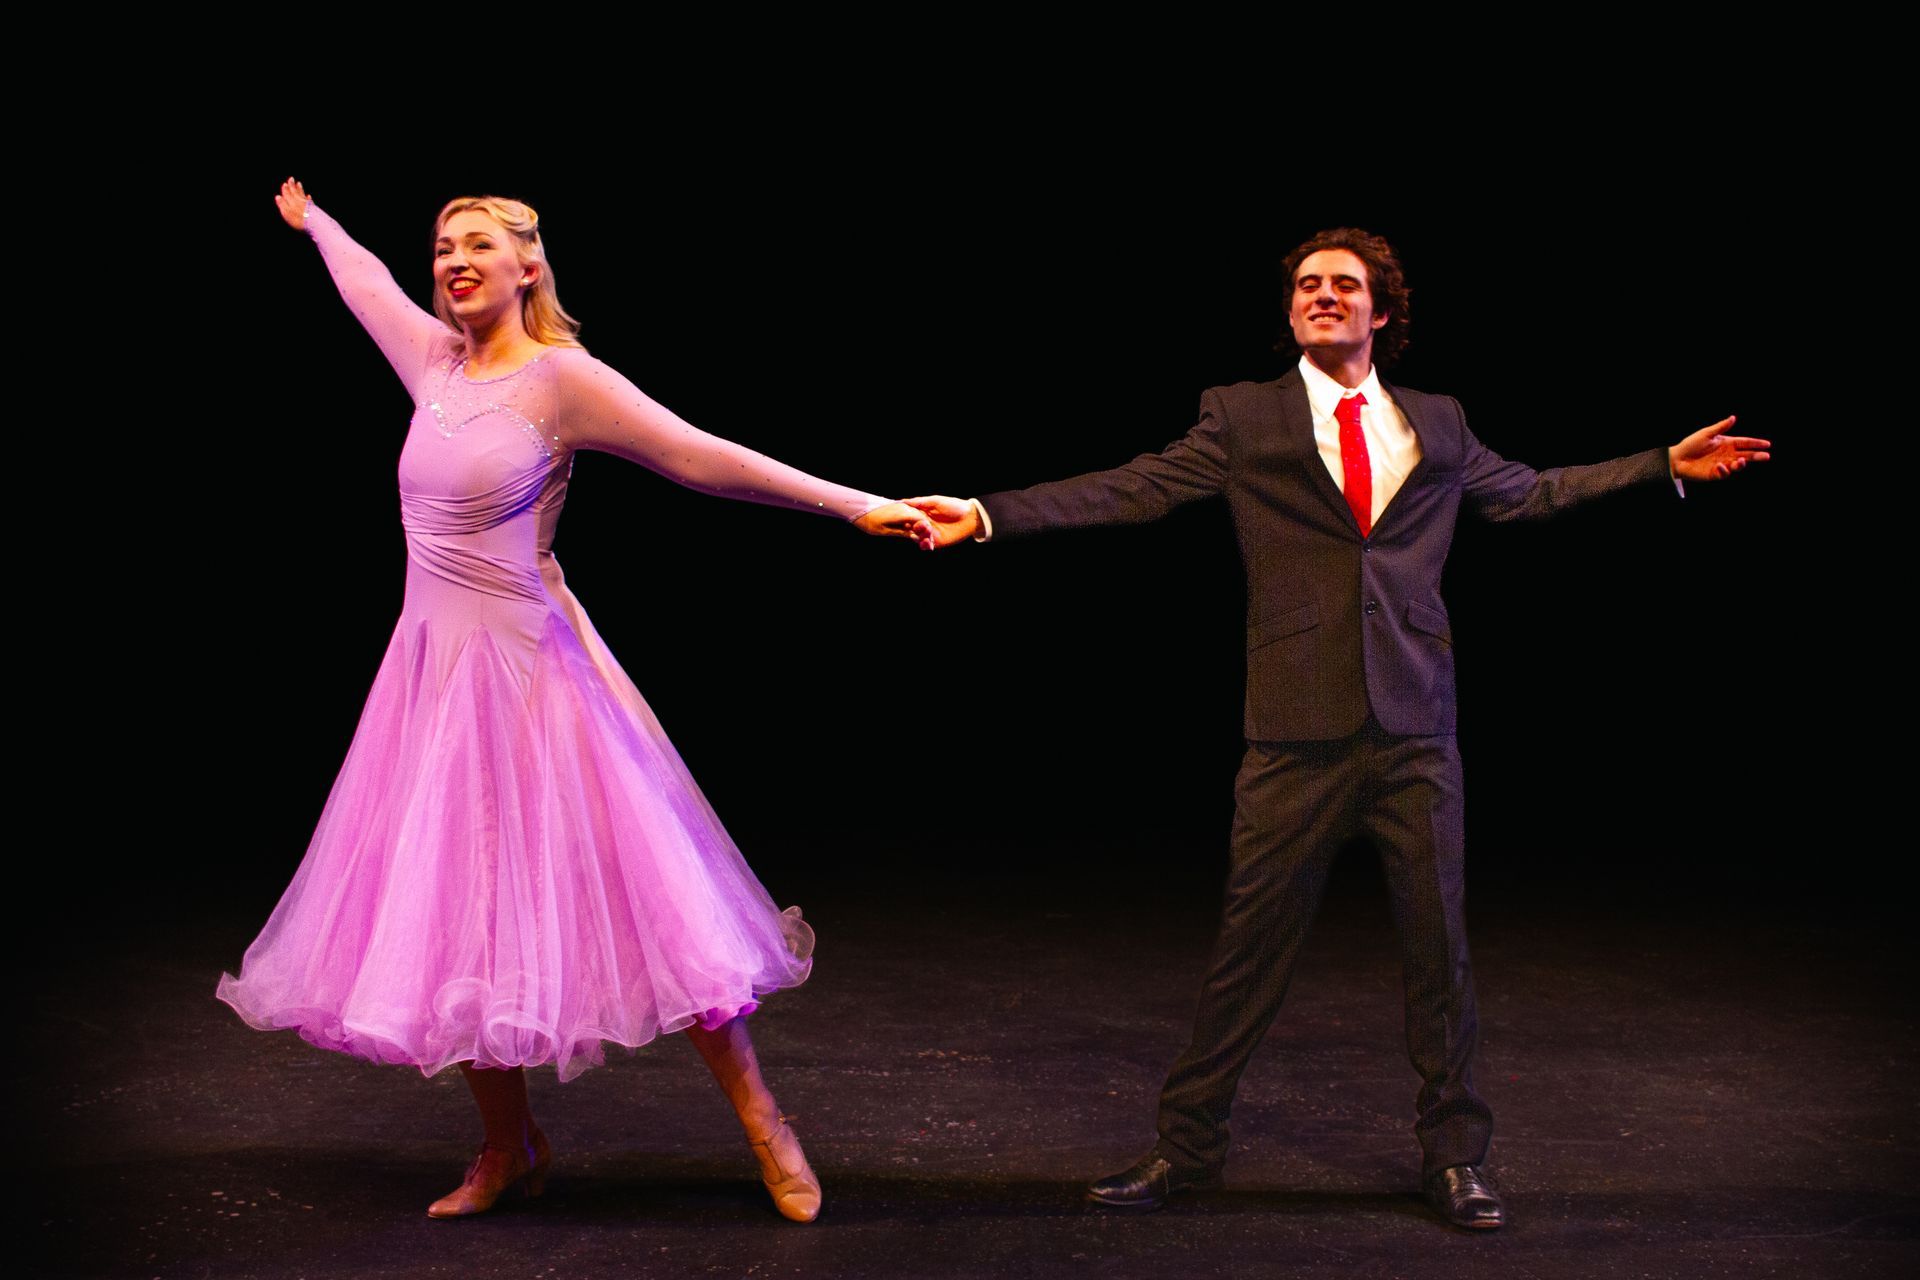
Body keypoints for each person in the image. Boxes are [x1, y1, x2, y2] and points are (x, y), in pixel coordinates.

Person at [905, 227, 1768, 1230]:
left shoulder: (1437, 422)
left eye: (1344, 286)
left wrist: (1659, 461)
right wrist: (987, 512)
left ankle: (1455, 1159)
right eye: (1307, 285)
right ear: (1290, 312)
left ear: (1380, 311)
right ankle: (1186, 1148)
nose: (1323, 295)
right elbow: (1129, 486)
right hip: (1294, 732)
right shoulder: (1242, 416)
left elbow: (1530, 492)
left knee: (1438, 950)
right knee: (1247, 950)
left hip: (1416, 729)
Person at [217, 179, 936, 1223]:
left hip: (536, 681)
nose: (452, 260)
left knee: (660, 901)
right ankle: (508, 1145)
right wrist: (316, 222)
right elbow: (364, 283)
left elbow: (700, 455)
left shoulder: (562, 381)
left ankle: (766, 1124)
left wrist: (857, 503)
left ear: (527, 267)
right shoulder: (435, 364)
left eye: (476, 245)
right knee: (455, 920)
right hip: (430, 688)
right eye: (442, 246)